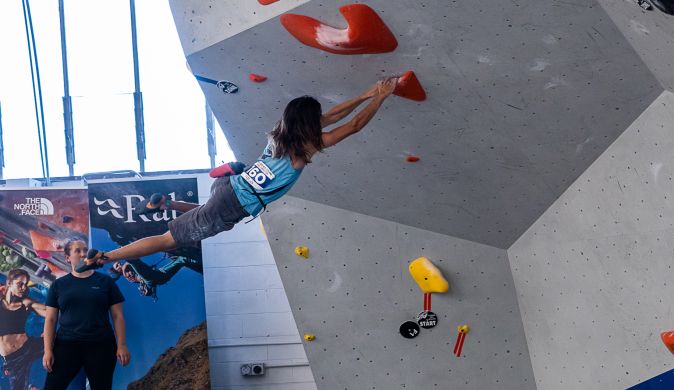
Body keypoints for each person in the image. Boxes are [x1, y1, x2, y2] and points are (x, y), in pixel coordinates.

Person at [80, 77, 398, 269]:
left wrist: (368, 94)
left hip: (230, 188)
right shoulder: (306, 148)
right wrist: (381, 97)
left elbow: (332, 116)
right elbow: (353, 125)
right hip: (235, 201)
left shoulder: (281, 132)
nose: (321, 120)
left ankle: (187, 193)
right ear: (308, 123)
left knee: (197, 223)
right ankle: (107, 257)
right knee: (169, 242)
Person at [43, 239, 131, 390]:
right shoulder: (58, 285)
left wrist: (122, 345)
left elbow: (118, 316)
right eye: (77, 250)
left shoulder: (106, 282)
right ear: (68, 257)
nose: (83, 253)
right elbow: (50, 319)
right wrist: (48, 350)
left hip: (101, 345)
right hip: (66, 346)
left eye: (85, 249)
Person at [0, 268, 47, 390]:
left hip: (29, 346)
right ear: (9, 283)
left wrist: (48, 330)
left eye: (25, 284)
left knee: (63, 343)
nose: (23, 287)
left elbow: (50, 312)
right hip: (13, 360)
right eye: (19, 283)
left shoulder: (25, 303)